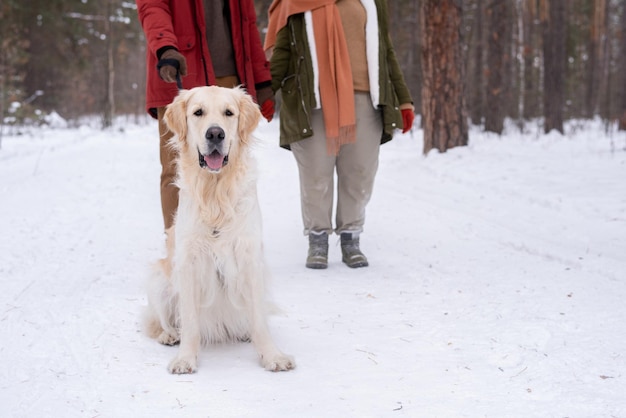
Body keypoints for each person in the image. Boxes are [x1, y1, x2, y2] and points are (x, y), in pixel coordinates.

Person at [265, 0, 414, 269]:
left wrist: (403, 99)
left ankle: (351, 237)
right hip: (312, 101)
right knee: (316, 174)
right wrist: (261, 96)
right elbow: (283, 52)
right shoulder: (296, 2)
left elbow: (386, 50)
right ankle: (317, 239)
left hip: (365, 99)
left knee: (359, 172)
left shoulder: (371, 1)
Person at [136, 0, 275, 234]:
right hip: (180, 68)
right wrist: (165, 47)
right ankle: (180, 250)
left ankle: (228, 246)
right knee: (176, 168)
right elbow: (152, 6)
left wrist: (261, 79)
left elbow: (246, 22)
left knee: (232, 166)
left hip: (229, 78)